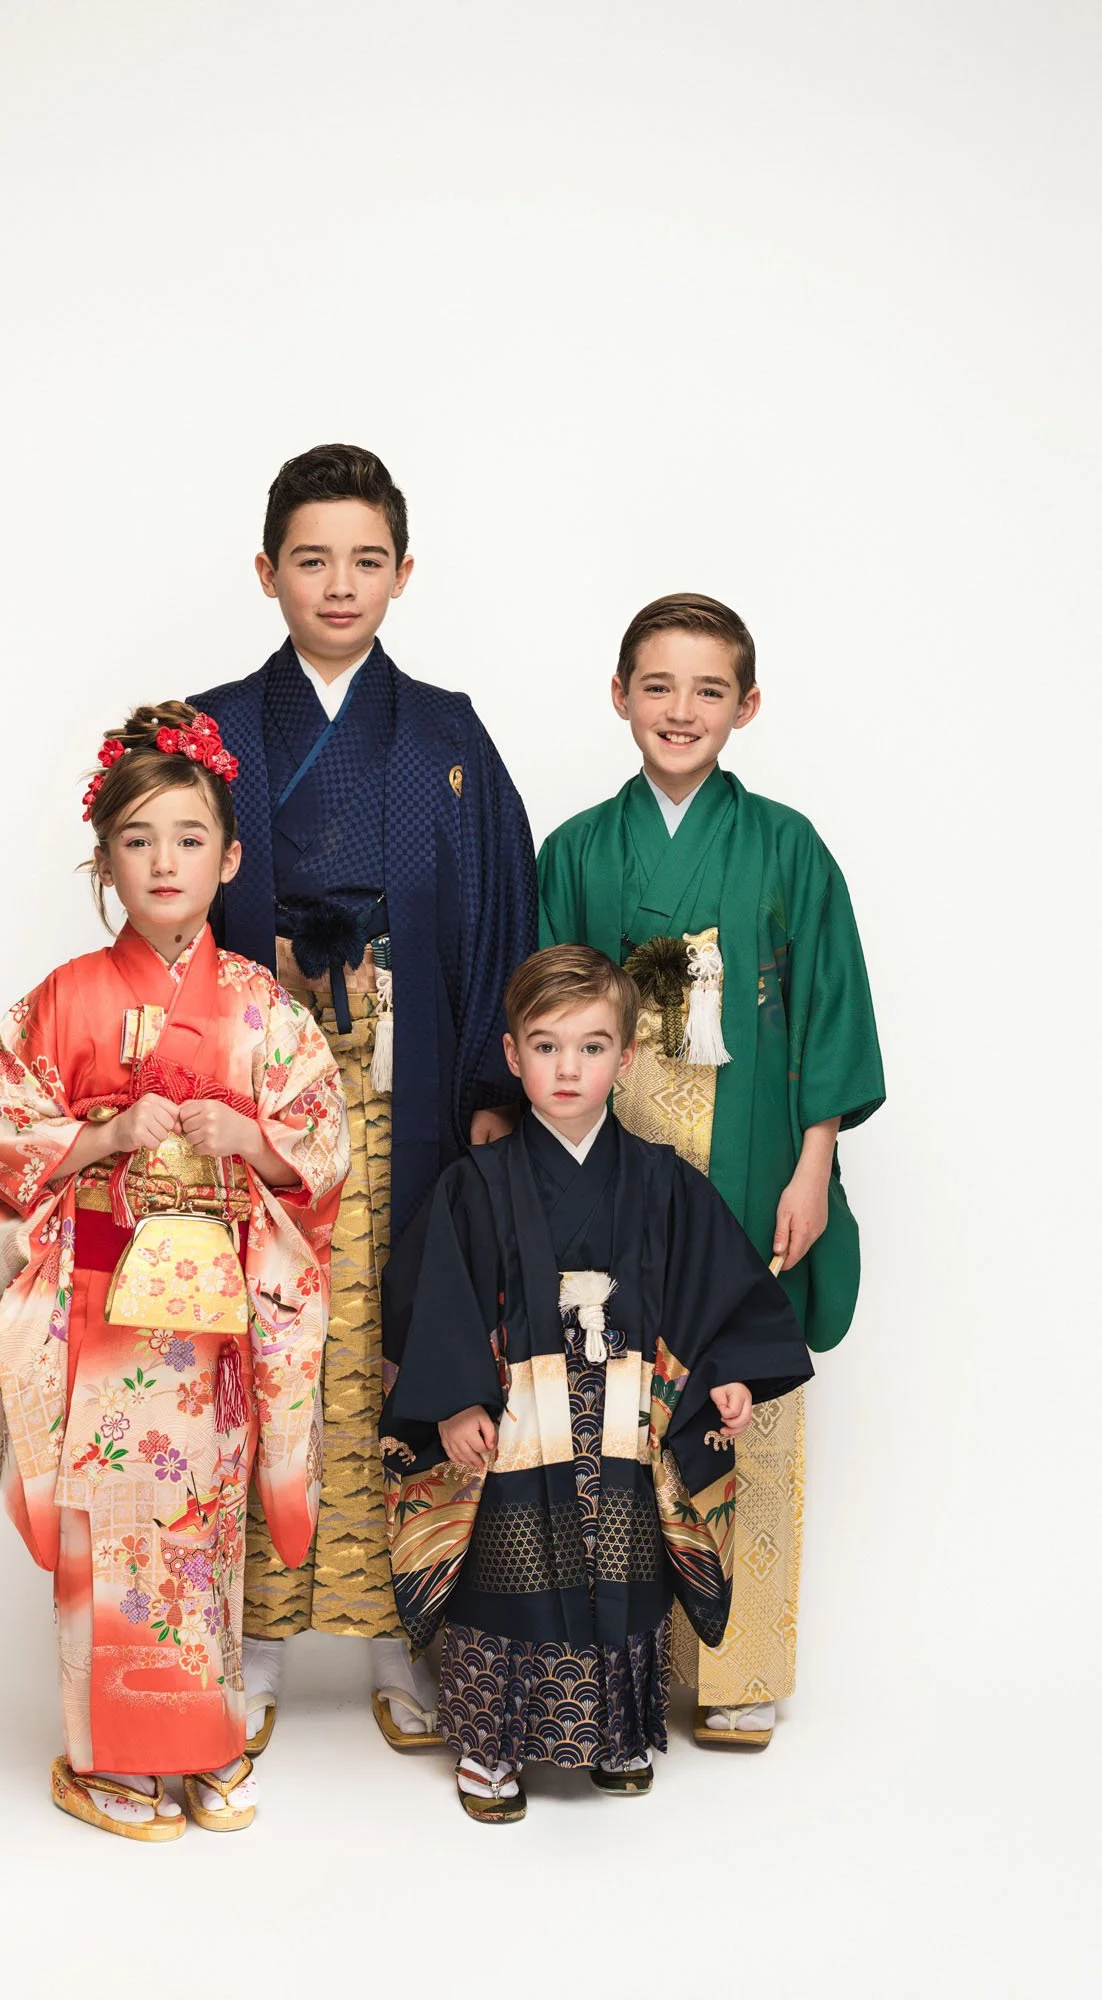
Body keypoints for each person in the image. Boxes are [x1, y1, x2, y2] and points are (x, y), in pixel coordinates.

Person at [190, 443, 537, 1751]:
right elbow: (165, 895)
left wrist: (491, 1088)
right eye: (312, 558)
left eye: (365, 559)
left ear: (402, 572)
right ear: (266, 571)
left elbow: (499, 905)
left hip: (409, 1088)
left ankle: (406, 1627)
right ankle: (255, 1632)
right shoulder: (214, 730)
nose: (339, 583)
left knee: (410, 1337)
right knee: (265, 1347)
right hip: (253, 1101)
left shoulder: (443, 733)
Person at [0, 701, 349, 1838]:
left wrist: (253, 1143)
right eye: (138, 840)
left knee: (200, 1526)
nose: (165, 861)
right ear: (106, 862)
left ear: (228, 859)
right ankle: (106, 1760)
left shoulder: (264, 1008)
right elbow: (4, 1145)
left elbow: (320, 1149)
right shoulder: (58, 1002)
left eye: (190, 838)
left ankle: (202, 1742)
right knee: (111, 1522)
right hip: (100, 1309)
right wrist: (103, 1135)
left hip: (215, 1317)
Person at [537, 593, 884, 1748]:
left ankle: (738, 1667)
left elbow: (827, 1005)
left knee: (744, 1391)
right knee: (608, 1394)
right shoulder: (575, 849)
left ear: (746, 703)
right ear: (618, 695)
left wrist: (811, 1162)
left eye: (706, 689)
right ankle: (616, 1658)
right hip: (615, 1161)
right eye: (656, 685)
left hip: (750, 1159)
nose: (678, 710)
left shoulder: (787, 845)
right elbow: (541, 1022)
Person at [379, 947, 812, 1819]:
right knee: (507, 1574)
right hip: (514, 1425)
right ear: (513, 1056)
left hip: (625, 1427)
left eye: (591, 1047)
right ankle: (491, 1745)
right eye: (545, 1047)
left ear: (628, 1055)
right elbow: (430, 1295)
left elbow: (718, 1292)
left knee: (623, 1570)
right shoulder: (476, 1185)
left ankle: (615, 1734)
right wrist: (456, 1400)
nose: (567, 1069)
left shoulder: (661, 1181)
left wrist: (724, 1377)